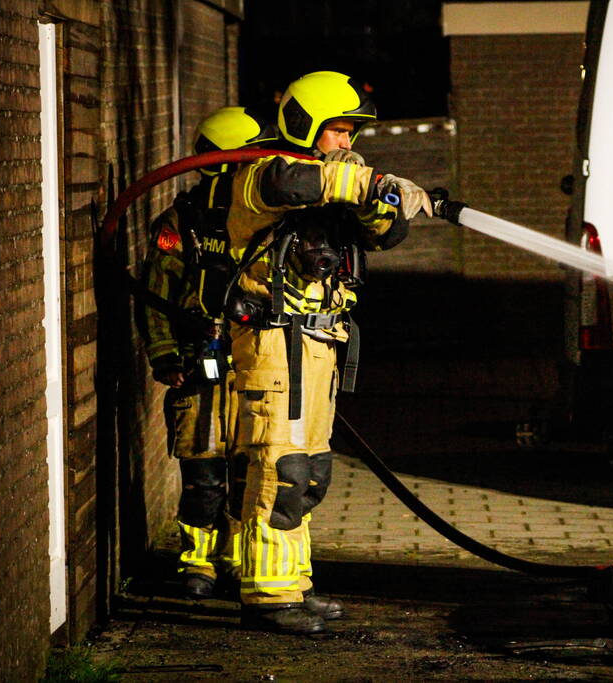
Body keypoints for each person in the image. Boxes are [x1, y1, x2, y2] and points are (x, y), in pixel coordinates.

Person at [225, 71, 432, 634]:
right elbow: (293, 184)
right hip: (275, 341)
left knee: (311, 471)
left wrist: (383, 198)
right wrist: (368, 183)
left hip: (321, 344)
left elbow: (386, 234)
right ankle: (267, 597)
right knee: (280, 466)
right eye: (337, 131)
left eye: (351, 133)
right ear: (304, 124)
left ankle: (293, 583)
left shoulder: (342, 185)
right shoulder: (259, 173)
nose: (348, 143)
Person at [141, 105, 277, 600]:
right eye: (251, 163)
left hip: (258, 363)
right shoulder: (182, 222)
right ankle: (196, 563)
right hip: (197, 366)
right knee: (202, 477)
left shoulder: (272, 223)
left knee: (250, 474)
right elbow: (156, 292)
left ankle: (238, 561)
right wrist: (165, 357)